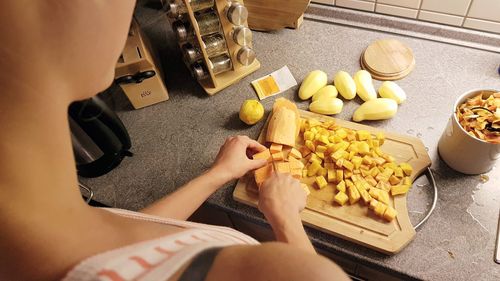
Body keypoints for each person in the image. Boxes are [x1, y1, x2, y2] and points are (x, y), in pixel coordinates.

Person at [0, 1, 350, 280]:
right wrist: (284, 218)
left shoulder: (43, 233)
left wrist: (216, 175)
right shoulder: (282, 272)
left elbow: (137, 238)